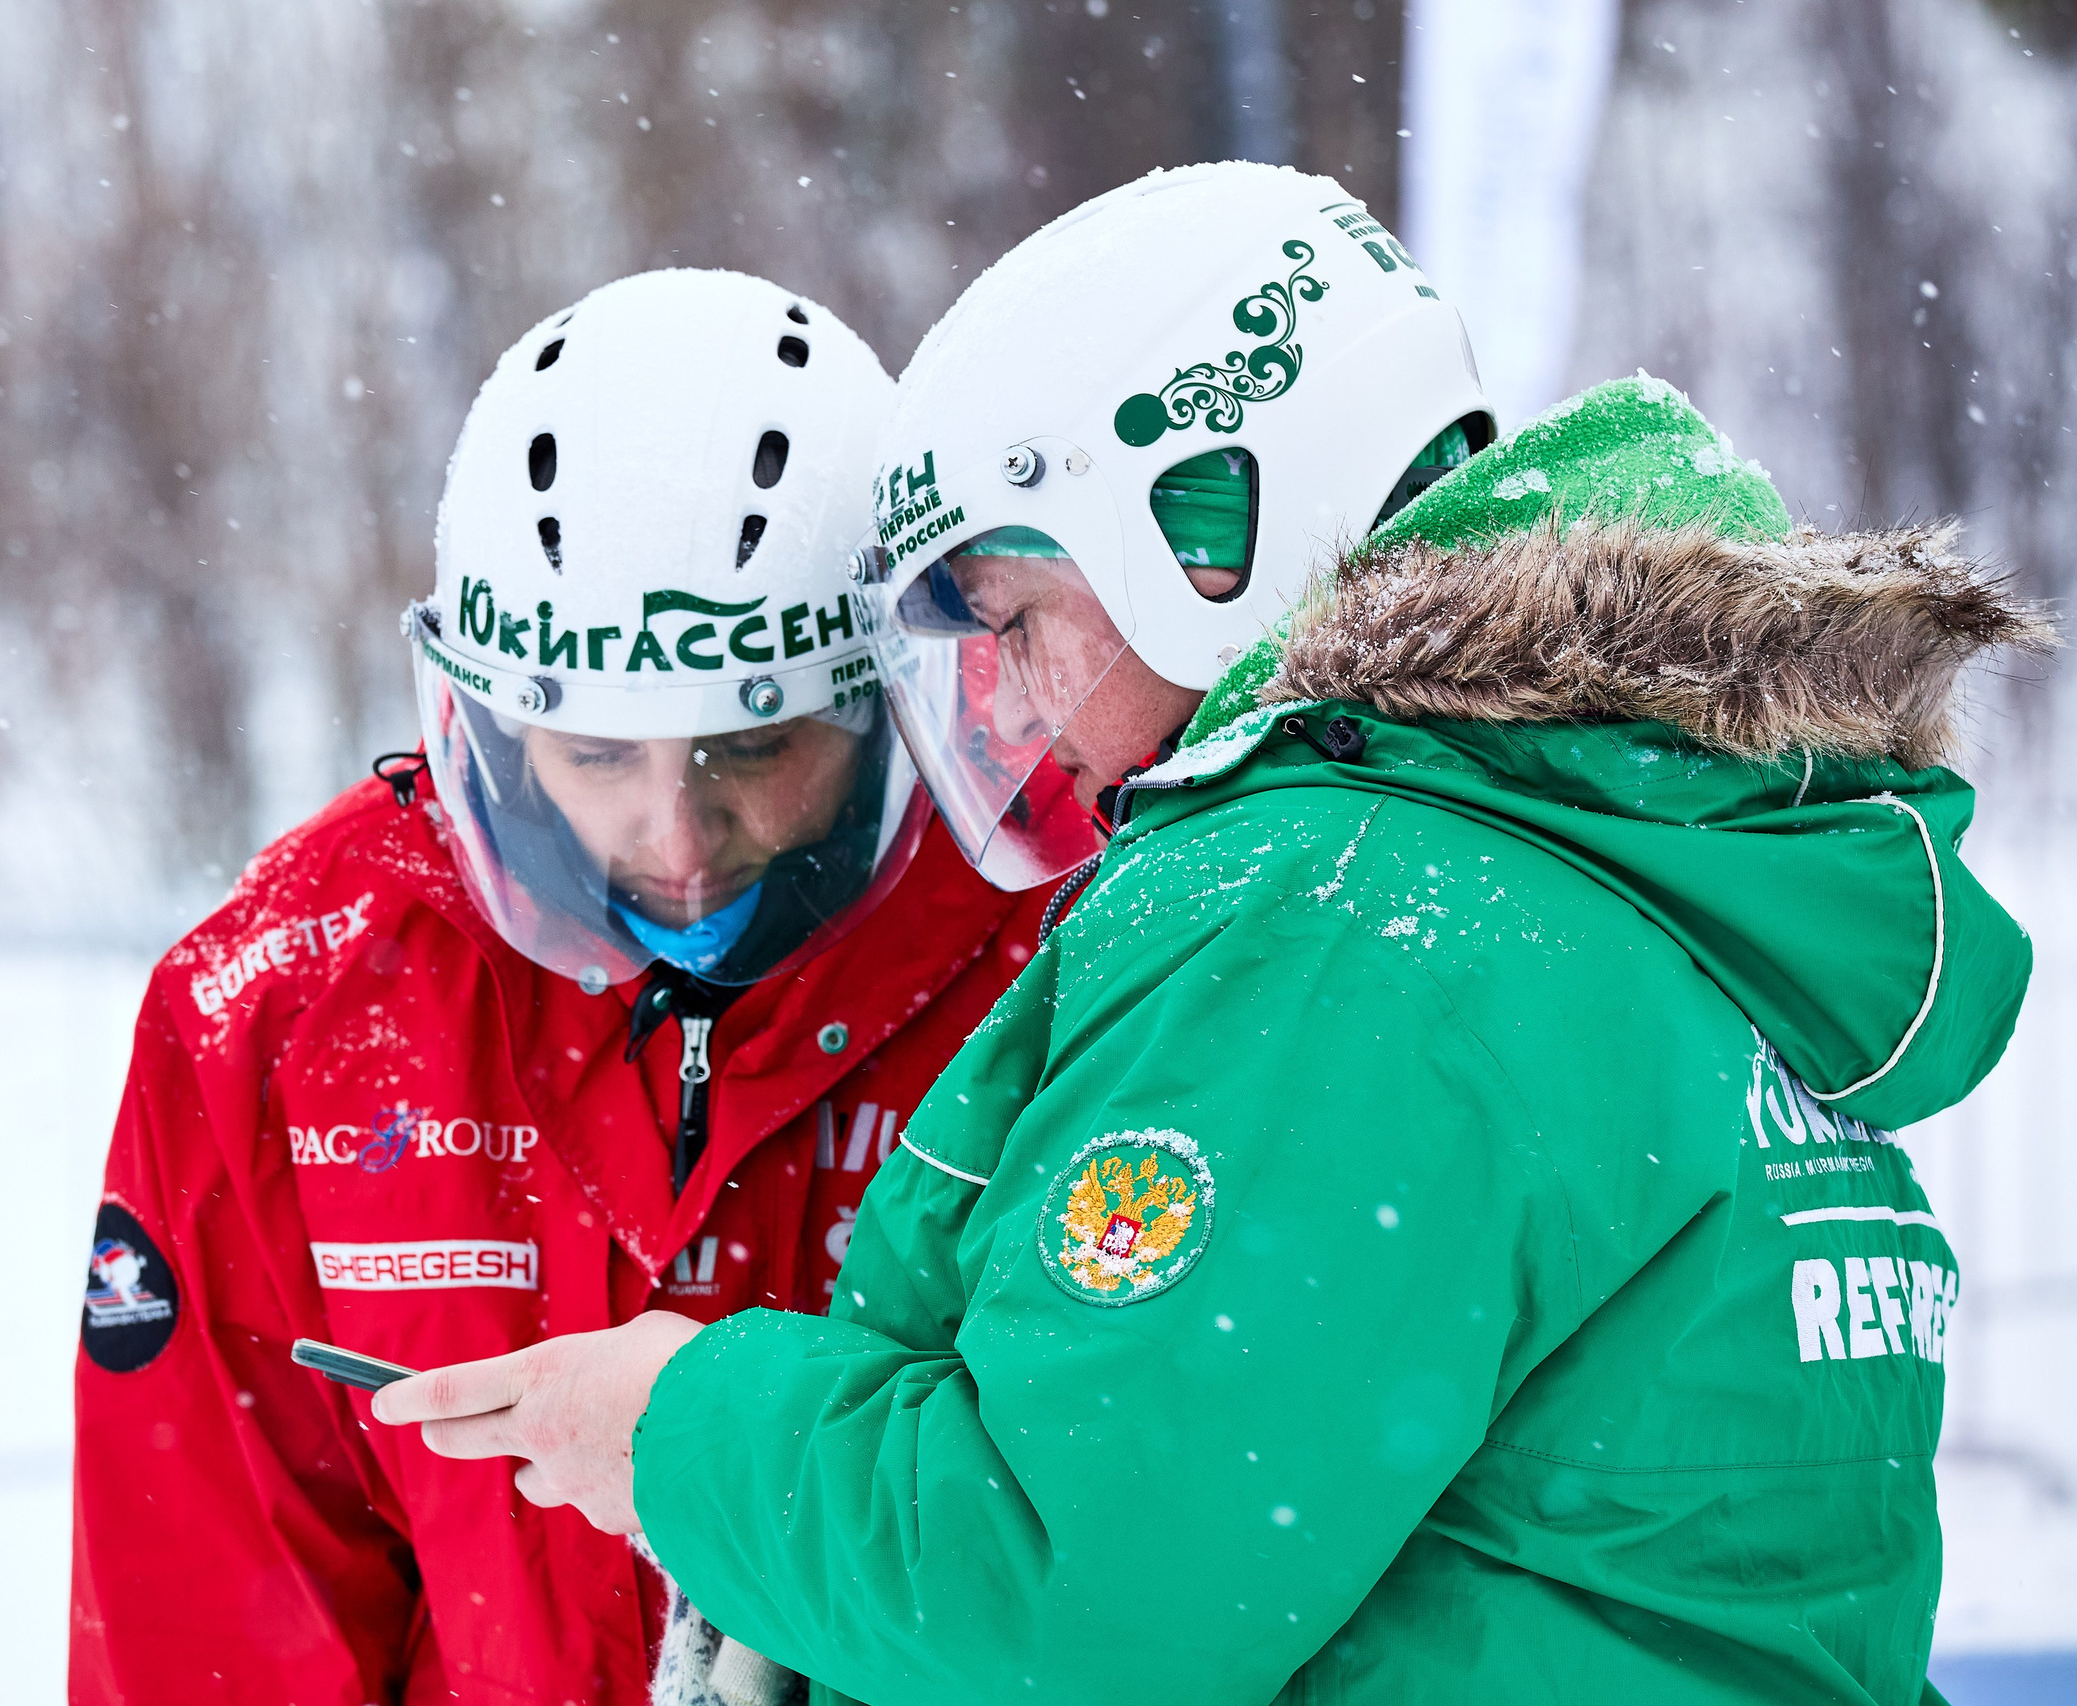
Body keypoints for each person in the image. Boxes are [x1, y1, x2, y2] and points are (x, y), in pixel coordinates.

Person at [375, 163, 2055, 1703]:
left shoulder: (1344, 917)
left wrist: (682, 1427)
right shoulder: (1622, 862)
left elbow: (1062, 1588)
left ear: (1208, 520)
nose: (1012, 704)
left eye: (1018, 618)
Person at [67, 268, 1057, 1705]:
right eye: (597, 756)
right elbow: (205, 1634)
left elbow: (1127, 1556)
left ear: (888, 698)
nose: (675, 838)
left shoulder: (1061, 951)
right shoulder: (286, 1007)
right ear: (492, 720)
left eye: (756, 743)